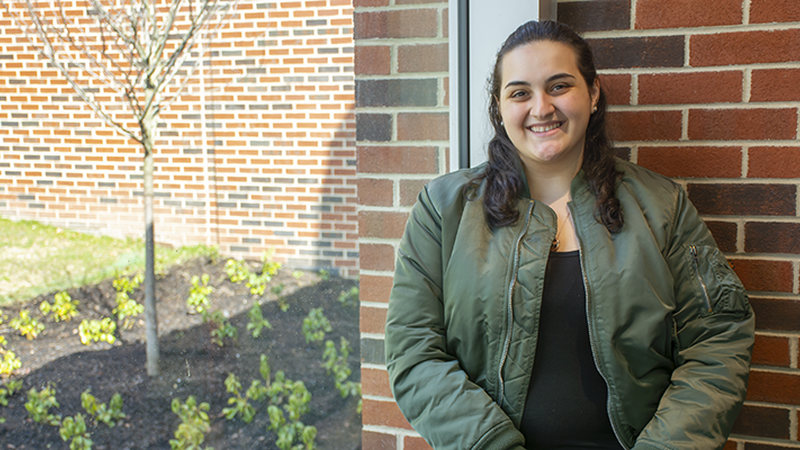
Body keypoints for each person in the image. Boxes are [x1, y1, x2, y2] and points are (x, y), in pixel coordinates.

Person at [385, 20, 754, 450]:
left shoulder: (662, 206)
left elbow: (718, 338)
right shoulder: (444, 210)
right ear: (500, 107)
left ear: (593, 94)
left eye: (559, 86)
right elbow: (414, 353)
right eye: (520, 92)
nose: (541, 108)